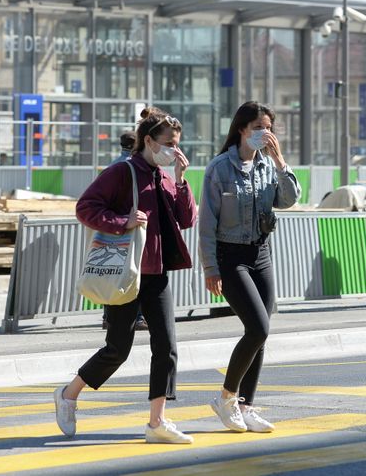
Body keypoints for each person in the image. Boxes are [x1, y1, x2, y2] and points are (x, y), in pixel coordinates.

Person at [53, 107, 197, 444]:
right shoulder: (123, 172)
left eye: (177, 144)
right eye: (168, 144)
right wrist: (124, 222)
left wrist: (181, 178)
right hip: (126, 272)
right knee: (118, 348)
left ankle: (157, 422)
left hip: (157, 273)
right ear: (148, 140)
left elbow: (187, 219)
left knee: (167, 347)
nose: (174, 150)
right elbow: (85, 207)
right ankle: (69, 394)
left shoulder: (164, 175)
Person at [199, 101, 301, 433]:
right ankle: (227, 398)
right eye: (259, 127)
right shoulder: (220, 168)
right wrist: (210, 268)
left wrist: (280, 161)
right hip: (231, 258)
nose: (264, 133)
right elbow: (207, 223)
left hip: (261, 254)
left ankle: (246, 405)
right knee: (257, 328)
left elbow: (288, 200)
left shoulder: (267, 166)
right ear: (242, 128)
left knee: (260, 335)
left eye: (269, 128)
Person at [104, 130, 148, 332]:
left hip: (113, 228)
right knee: (132, 273)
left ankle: (108, 316)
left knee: (113, 274)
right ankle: (137, 316)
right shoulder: (134, 168)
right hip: (131, 229)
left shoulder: (112, 166)